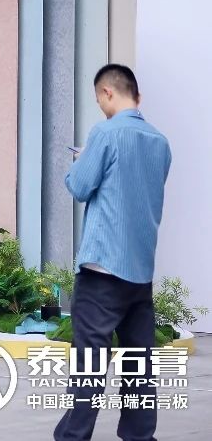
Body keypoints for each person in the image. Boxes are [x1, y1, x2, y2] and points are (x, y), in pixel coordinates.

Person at [55, 64, 171, 441]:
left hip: (102, 269)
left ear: (107, 92)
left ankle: (73, 437)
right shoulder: (160, 142)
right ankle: (139, 436)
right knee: (139, 365)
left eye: (99, 99)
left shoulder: (104, 133)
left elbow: (80, 186)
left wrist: (81, 160)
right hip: (140, 271)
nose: (101, 106)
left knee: (90, 364)